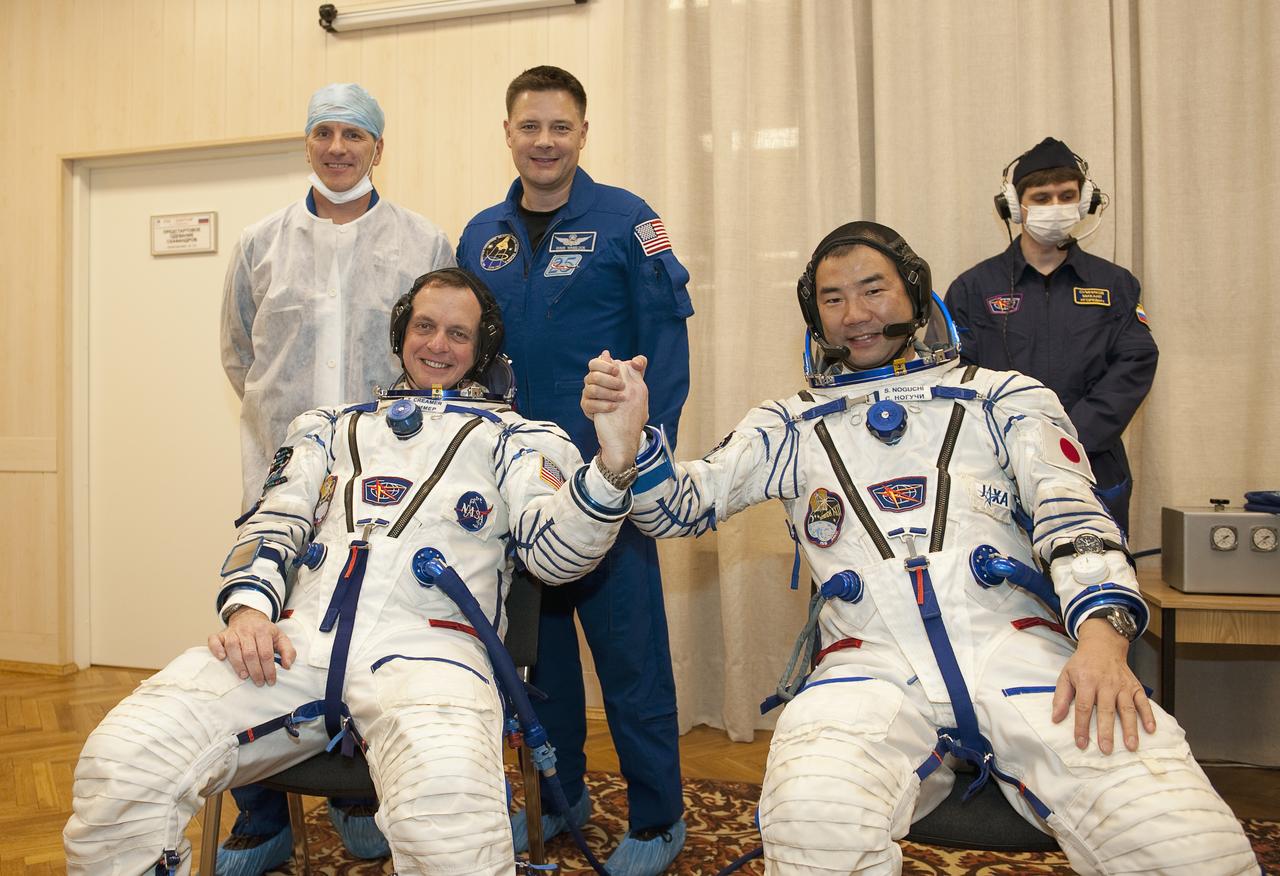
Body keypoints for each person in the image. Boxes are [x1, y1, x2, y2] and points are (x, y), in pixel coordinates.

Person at [582, 222, 1257, 875]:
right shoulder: (788, 423)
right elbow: (676, 509)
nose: (856, 314)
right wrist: (629, 442)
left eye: (873, 290)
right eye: (833, 298)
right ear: (814, 318)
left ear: (913, 291)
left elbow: (1073, 513)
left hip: (1019, 652)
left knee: (1179, 834)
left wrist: (1106, 643)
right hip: (865, 667)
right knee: (812, 821)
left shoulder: (1004, 397)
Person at [64, 268, 650, 875]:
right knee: (125, 760)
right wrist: (248, 614)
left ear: (481, 351)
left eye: (458, 333)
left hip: (432, 655)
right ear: (401, 334)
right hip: (296, 645)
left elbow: (557, 556)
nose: (437, 345)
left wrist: (612, 463)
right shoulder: (329, 427)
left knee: (451, 822)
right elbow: (273, 523)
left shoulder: (519, 438)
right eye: (424, 326)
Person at [456, 65, 694, 875]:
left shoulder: (631, 221)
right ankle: (562, 798)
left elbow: (667, 344)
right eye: (530, 127)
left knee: (630, 660)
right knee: (538, 662)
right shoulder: (479, 235)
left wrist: (636, 458)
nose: (545, 141)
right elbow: (468, 358)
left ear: (583, 134)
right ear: (509, 132)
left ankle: (660, 818)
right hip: (521, 493)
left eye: (560, 127)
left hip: (607, 485)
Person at [218, 82, 454, 869]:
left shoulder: (424, 243)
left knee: (361, 639)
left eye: (355, 134)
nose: (338, 147)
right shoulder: (260, 243)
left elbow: (445, 356)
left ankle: (357, 797)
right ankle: (261, 815)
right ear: (308, 142)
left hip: (380, 489)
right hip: (277, 487)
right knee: (256, 639)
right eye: (324, 131)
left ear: (379, 147)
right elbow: (240, 358)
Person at [946, 137, 1157, 534]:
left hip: (1092, 460)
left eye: (1066, 196)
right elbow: (955, 373)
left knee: (1094, 579)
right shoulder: (973, 288)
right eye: (1041, 198)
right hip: (996, 467)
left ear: (1083, 202)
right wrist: (1009, 439)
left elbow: (1136, 362)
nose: (1054, 207)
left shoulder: (1115, 284)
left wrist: (1070, 436)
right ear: (1015, 206)